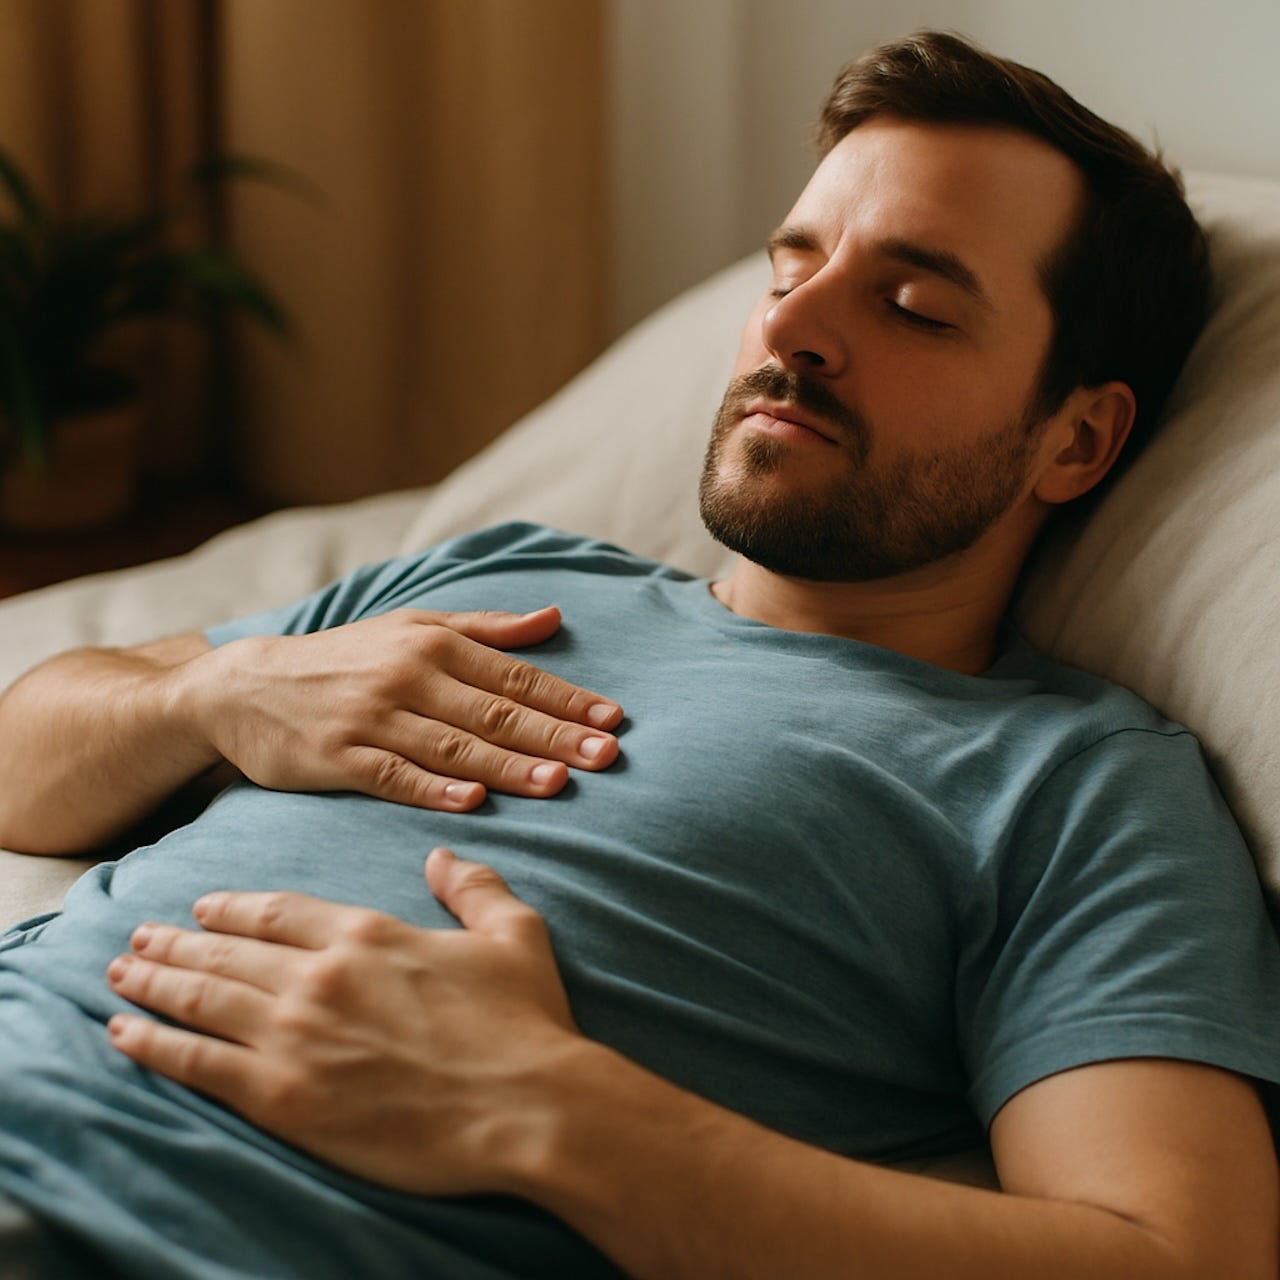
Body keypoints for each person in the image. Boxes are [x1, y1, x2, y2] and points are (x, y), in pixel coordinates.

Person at [0, 29, 1277, 1280]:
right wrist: (219, 689)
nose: (796, 328)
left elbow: (1176, 1248)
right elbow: (24, 766)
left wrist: (564, 1114)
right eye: (787, 269)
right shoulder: (501, 569)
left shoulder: (1067, 782)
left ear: (1074, 440)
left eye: (911, 305)